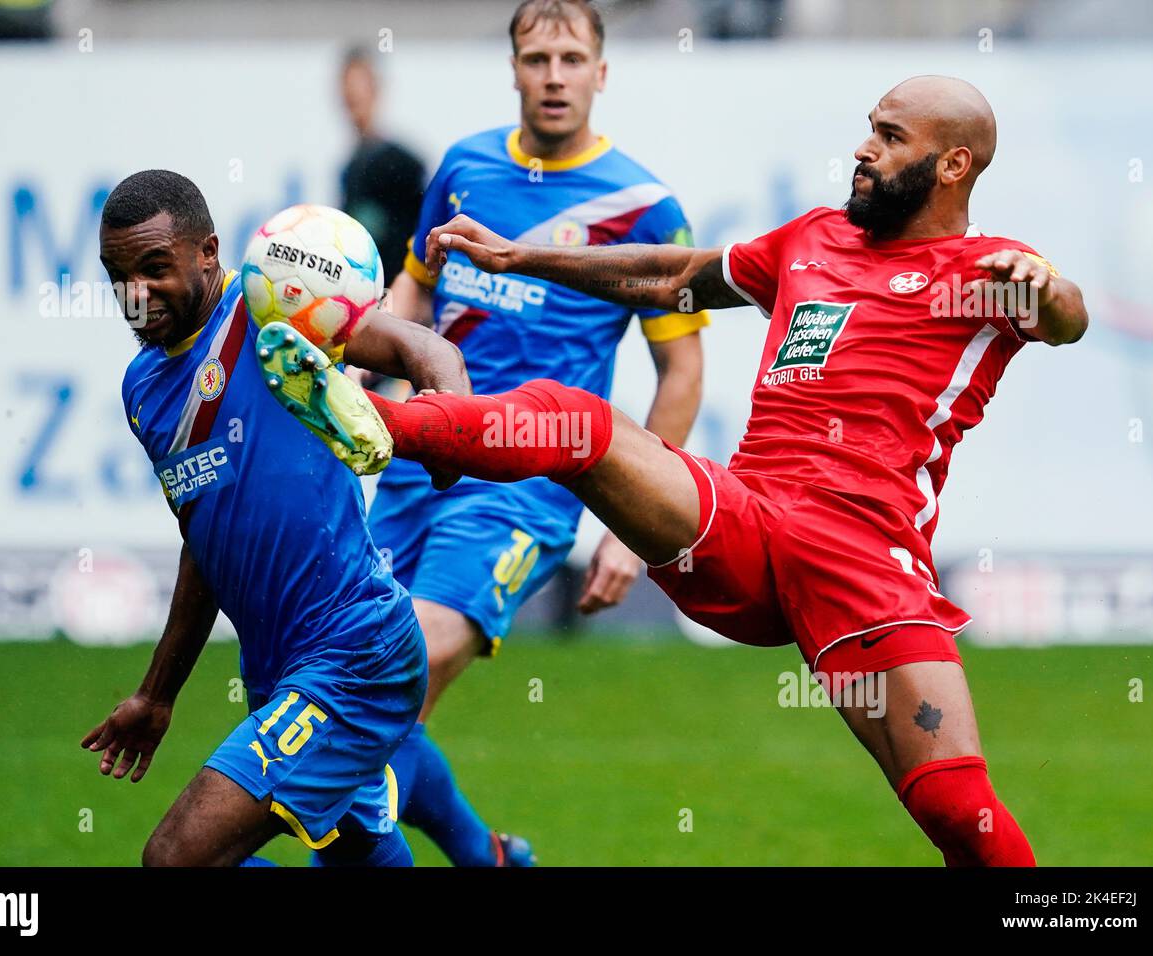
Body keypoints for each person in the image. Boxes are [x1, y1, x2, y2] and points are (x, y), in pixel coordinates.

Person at [264, 76, 1089, 865]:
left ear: (953, 164)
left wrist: (1045, 288)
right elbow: (675, 277)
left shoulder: (987, 275)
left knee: (957, 812)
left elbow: (1067, 319)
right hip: (744, 521)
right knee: (579, 422)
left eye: (889, 135)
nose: (863, 149)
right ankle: (376, 421)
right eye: (869, 127)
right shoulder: (811, 239)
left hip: (862, 558)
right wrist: (524, 258)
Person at [356, 0, 708, 866]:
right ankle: (487, 858)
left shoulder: (647, 210)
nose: (554, 75)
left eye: (572, 58)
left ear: (601, 72)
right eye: (537, 58)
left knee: (395, 669)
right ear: (513, 69)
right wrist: (365, 368)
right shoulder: (465, 169)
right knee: (349, 694)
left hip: (526, 490)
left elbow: (684, 371)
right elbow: (412, 290)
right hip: (413, 461)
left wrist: (639, 529)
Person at [81, 169, 470, 867]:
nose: (135, 294)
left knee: (175, 859)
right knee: (360, 853)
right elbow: (204, 540)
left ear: (208, 251)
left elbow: (427, 350)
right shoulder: (142, 390)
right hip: (275, 671)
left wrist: (452, 430)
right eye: (118, 276)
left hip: (356, 652)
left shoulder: (277, 311)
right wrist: (156, 695)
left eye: (153, 268)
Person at [338, 47, 425, 286]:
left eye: (359, 85)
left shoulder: (403, 164)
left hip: (394, 295)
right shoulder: (350, 168)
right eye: (346, 86)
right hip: (360, 294)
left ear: (376, 89)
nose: (351, 94)